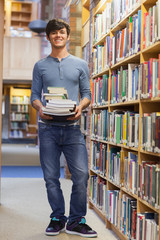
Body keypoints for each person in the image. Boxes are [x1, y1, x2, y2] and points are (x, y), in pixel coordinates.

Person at [30, 18, 97, 238]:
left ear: (68, 36)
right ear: (48, 37)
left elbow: (87, 94)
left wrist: (81, 107)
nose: (58, 35)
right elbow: (34, 97)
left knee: (81, 175)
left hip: (72, 128)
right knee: (51, 177)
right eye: (53, 33)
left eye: (61, 32)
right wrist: (40, 108)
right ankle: (58, 217)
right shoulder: (40, 66)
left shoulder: (80, 64)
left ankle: (76, 221)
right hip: (47, 128)